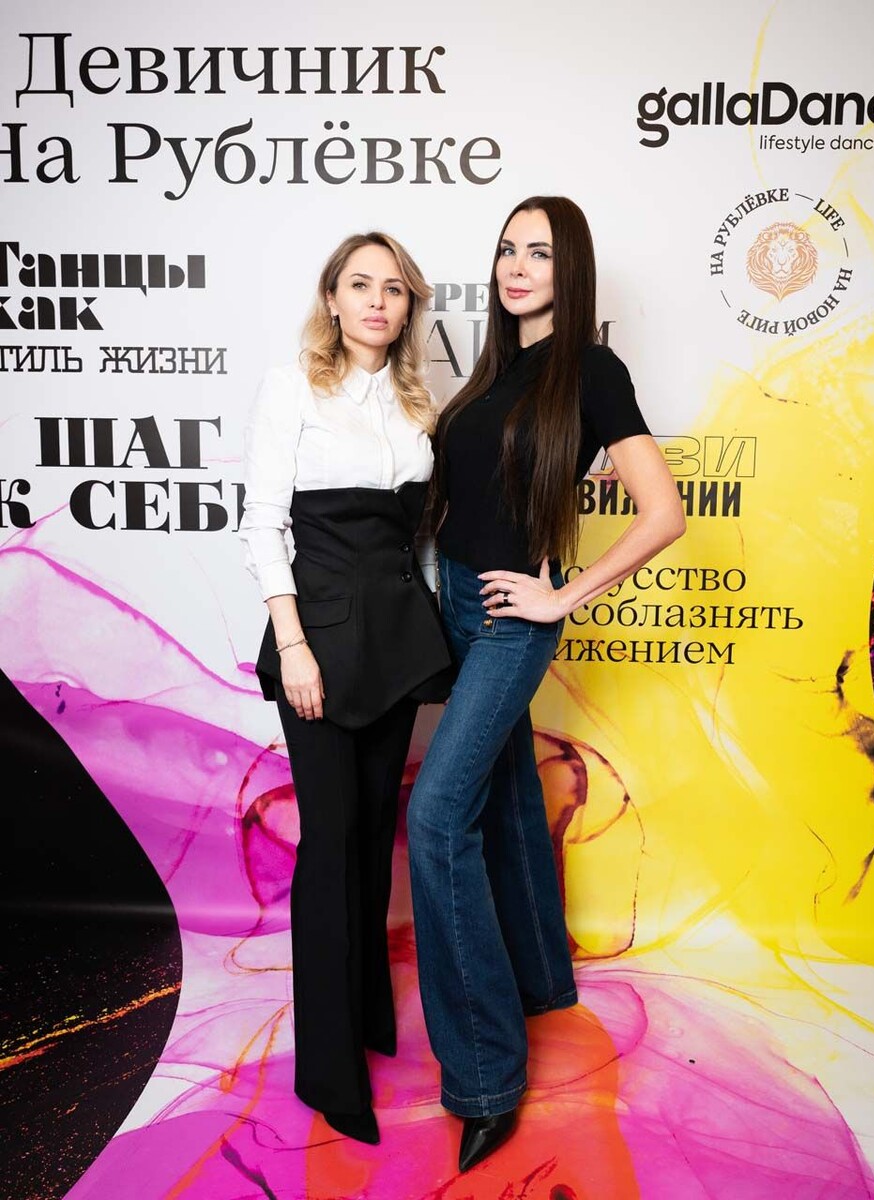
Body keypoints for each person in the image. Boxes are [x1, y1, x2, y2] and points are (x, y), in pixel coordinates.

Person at [406, 196, 686, 1172]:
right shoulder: (491, 372)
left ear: (571, 270)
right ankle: (539, 982)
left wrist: (562, 595)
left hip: (507, 621)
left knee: (437, 818)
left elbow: (663, 512)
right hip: (451, 604)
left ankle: (486, 1076)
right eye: (506, 250)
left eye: (539, 252)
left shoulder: (591, 372)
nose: (517, 266)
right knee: (504, 795)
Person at [240, 232, 453, 1147]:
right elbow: (261, 523)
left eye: (393, 289)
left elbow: (424, 537)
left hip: (397, 642)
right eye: (359, 285)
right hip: (316, 642)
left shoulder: (418, 403)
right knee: (329, 845)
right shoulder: (292, 386)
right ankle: (329, 1072)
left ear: (408, 308)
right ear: (332, 298)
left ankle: (369, 1016)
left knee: (373, 836)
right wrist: (292, 646)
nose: (376, 301)